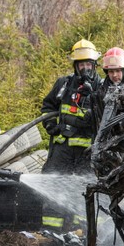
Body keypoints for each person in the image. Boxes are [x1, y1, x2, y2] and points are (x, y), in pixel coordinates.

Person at [39, 39, 102, 233]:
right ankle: (51, 232)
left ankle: (82, 232)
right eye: (81, 64)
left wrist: (93, 98)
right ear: (75, 65)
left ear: (94, 65)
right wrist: (51, 124)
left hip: (87, 151)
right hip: (62, 149)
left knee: (85, 189)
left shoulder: (101, 87)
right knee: (53, 185)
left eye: (88, 64)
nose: (85, 68)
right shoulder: (64, 84)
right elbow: (48, 106)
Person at [94, 47, 124, 124]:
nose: (114, 75)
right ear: (107, 72)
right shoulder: (101, 90)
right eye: (111, 71)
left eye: (118, 70)